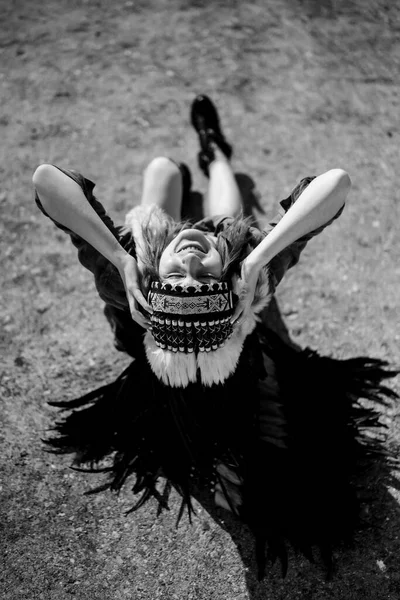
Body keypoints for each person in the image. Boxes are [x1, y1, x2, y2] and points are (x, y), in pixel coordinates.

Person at [32, 95, 394, 579]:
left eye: (179, 280)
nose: (188, 260)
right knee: (227, 204)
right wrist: (260, 255)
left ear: (154, 284)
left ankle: (181, 176)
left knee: (162, 172)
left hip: (151, 249)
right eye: (201, 279)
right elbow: (337, 185)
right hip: (229, 247)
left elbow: (45, 181)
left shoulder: (133, 279)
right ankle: (216, 152)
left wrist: (121, 258)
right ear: (228, 289)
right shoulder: (239, 273)